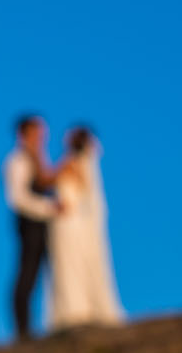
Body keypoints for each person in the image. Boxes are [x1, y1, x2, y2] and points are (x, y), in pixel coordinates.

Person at [45, 125, 126, 329]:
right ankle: (74, 308)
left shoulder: (76, 163)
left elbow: (75, 186)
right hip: (67, 220)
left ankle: (76, 309)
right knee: (68, 264)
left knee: (71, 263)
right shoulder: (80, 162)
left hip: (69, 220)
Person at [2, 114, 58, 340]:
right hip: (29, 224)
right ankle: (23, 331)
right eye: (37, 132)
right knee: (27, 274)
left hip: (45, 224)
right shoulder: (16, 161)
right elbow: (18, 198)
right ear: (23, 134)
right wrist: (49, 208)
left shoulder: (39, 159)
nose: (42, 137)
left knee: (45, 273)